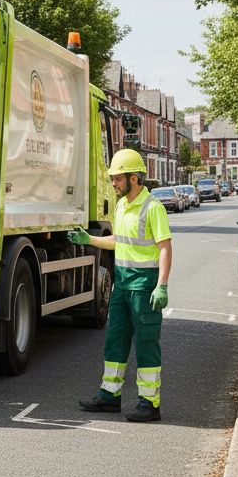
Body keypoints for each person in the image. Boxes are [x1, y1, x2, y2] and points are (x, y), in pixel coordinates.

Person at [69, 149, 173, 422]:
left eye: (117, 178)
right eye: (113, 178)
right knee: (114, 341)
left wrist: (161, 285)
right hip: (122, 286)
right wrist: (88, 240)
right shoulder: (121, 205)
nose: (113, 183)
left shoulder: (153, 207)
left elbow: (164, 248)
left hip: (144, 288)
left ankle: (150, 404)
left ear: (134, 178)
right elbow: (118, 241)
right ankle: (109, 396)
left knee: (146, 345)